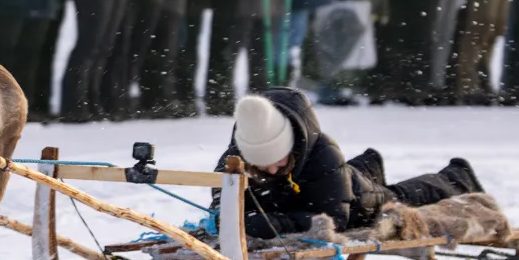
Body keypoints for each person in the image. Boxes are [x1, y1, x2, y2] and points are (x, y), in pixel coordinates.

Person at [207, 88, 485, 240]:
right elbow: (221, 208)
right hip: (317, 189)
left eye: (277, 162)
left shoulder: (324, 154)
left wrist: (274, 222)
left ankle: (456, 178)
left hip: (356, 204)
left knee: (400, 197)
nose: (269, 170)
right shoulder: (232, 162)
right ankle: (368, 165)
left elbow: (334, 220)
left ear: (292, 146)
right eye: (260, 165)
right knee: (343, 179)